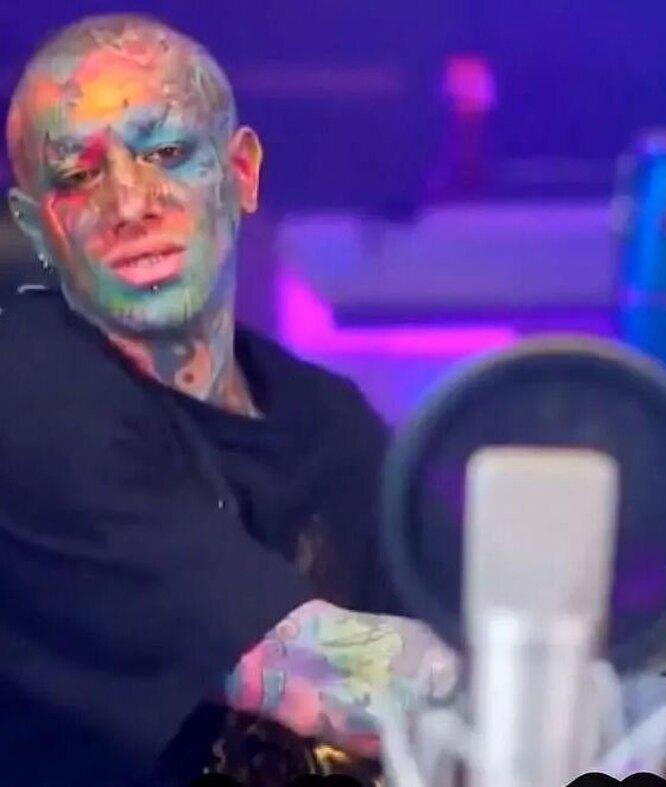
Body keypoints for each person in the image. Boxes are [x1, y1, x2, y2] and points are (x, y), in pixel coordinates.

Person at [0, 15, 463, 786]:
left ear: (242, 172)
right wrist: (614, 703)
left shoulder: (328, 419)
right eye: (79, 176)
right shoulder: (28, 396)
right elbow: (316, 671)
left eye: (166, 153)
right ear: (37, 229)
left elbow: (467, 616)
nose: (130, 204)